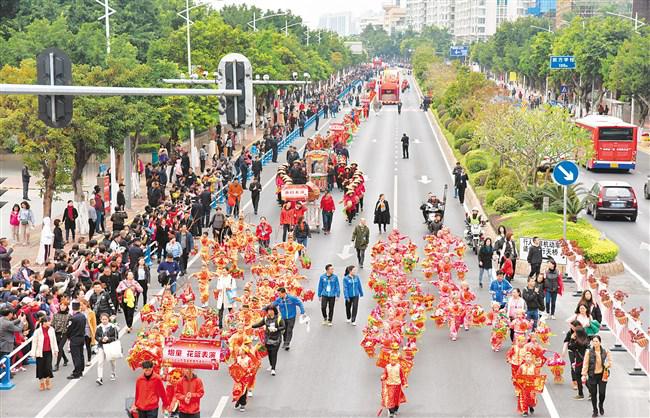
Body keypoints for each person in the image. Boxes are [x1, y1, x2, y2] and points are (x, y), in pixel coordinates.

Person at [582, 335, 612, 417]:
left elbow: (610, 362)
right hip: (592, 375)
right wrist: (584, 374)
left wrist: (608, 364)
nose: (594, 343)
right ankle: (595, 410)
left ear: (600, 342)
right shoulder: (589, 352)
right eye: (593, 341)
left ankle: (601, 405)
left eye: (596, 341)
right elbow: (585, 364)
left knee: (602, 393)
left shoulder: (605, 351)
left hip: (602, 375)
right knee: (593, 394)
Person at [252, 306, 285, 375]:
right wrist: (251, 326)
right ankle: (271, 365)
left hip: (276, 339)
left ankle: (273, 369)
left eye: (271, 310)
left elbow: (283, 326)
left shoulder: (279, 318)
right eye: (268, 310)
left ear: (274, 311)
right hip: (268, 339)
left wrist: (277, 329)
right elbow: (259, 324)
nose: (269, 312)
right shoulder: (266, 318)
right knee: (269, 353)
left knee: (274, 353)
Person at [31, 315, 58, 391]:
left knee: (48, 367)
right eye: (48, 321)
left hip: (49, 351)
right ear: (44, 323)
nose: (50, 323)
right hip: (40, 352)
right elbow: (34, 343)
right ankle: (41, 382)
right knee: (40, 368)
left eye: (50, 321)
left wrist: (56, 350)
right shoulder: (37, 331)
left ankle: (48, 380)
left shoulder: (51, 329)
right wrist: (33, 354)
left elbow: (54, 340)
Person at [563, 320, 589, 398]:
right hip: (584, 359)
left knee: (579, 375)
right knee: (583, 375)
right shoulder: (586, 340)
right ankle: (589, 392)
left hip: (579, 360)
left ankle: (582, 393)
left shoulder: (577, 342)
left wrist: (572, 339)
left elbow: (571, 347)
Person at [95, 312, 119, 385]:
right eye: (103, 319)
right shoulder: (99, 327)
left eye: (105, 319)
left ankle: (113, 372)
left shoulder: (113, 327)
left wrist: (108, 339)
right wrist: (101, 339)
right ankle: (100, 377)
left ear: (108, 319)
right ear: (100, 320)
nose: (104, 320)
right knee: (100, 362)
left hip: (110, 346)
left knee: (112, 362)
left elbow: (115, 337)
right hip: (101, 346)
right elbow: (96, 337)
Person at [381, 354, 407, 418]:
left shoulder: (399, 367)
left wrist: (404, 384)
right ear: (389, 360)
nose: (393, 361)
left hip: (397, 385)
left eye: (395, 360)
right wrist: (383, 377)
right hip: (390, 385)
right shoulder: (387, 367)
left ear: (397, 360)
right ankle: (391, 412)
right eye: (392, 360)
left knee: (397, 398)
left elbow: (402, 376)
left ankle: (396, 409)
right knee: (391, 397)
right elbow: (385, 374)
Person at [66, 301, 86, 379]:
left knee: (76, 356)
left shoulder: (73, 318)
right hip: (81, 337)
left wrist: (68, 336)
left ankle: (76, 372)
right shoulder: (83, 316)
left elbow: (69, 329)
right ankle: (81, 370)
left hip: (74, 338)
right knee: (81, 354)